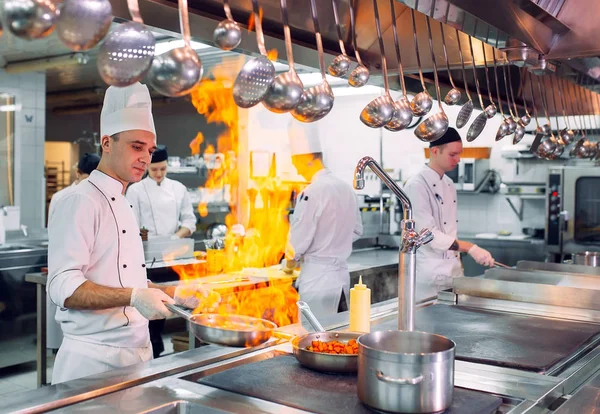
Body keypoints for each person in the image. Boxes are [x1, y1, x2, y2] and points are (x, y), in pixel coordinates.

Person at [47, 82, 212, 384]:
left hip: (136, 355)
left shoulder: (123, 201)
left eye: (149, 150)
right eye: (137, 147)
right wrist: (135, 297)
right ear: (107, 143)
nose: (146, 159)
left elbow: (125, 280)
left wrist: (172, 293)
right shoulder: (80, 201)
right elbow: (63, 287)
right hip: (92, 361)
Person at [282, 120, 363, 319]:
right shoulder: (346, 188)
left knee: (314, 339)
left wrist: (288, 263)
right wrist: (333, 243)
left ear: (308, 158)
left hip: (317, 282)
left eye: (296, 162)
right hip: (341, 280)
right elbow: (357, 230)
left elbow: (297, 243)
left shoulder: (311, 192)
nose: (296, 168)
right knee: (338, 334)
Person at [403, 128, 494, 301]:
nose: (458, 159)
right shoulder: (416, 185)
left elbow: (448, 231)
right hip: (428, 276)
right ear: (435, 151)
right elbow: (427, 235)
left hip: (452, 272)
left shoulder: (449, 184)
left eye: (459, 154)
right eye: (453, 154)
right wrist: (469, 248)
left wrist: (458, 261)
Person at [46, 152, 100, 352]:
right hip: (67, 265)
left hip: (86, 269)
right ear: (78, 174)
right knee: (63, 333)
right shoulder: (64, 197)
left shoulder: (99, 197)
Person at [126, 145, 196, 240]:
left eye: (163, 169)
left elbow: (189, 220)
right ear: (147, 167)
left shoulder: (179, 188)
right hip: (146, 247)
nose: (159, 174)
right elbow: (131, 224)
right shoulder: (135, 190)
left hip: (174, 247)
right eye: (154, 169)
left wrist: (176, 237)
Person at [48, 153, 100, 223]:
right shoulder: (60, 198)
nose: (91, 183)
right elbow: (52, 229)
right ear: (77, 173)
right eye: (87, 178)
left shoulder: (102, 199)